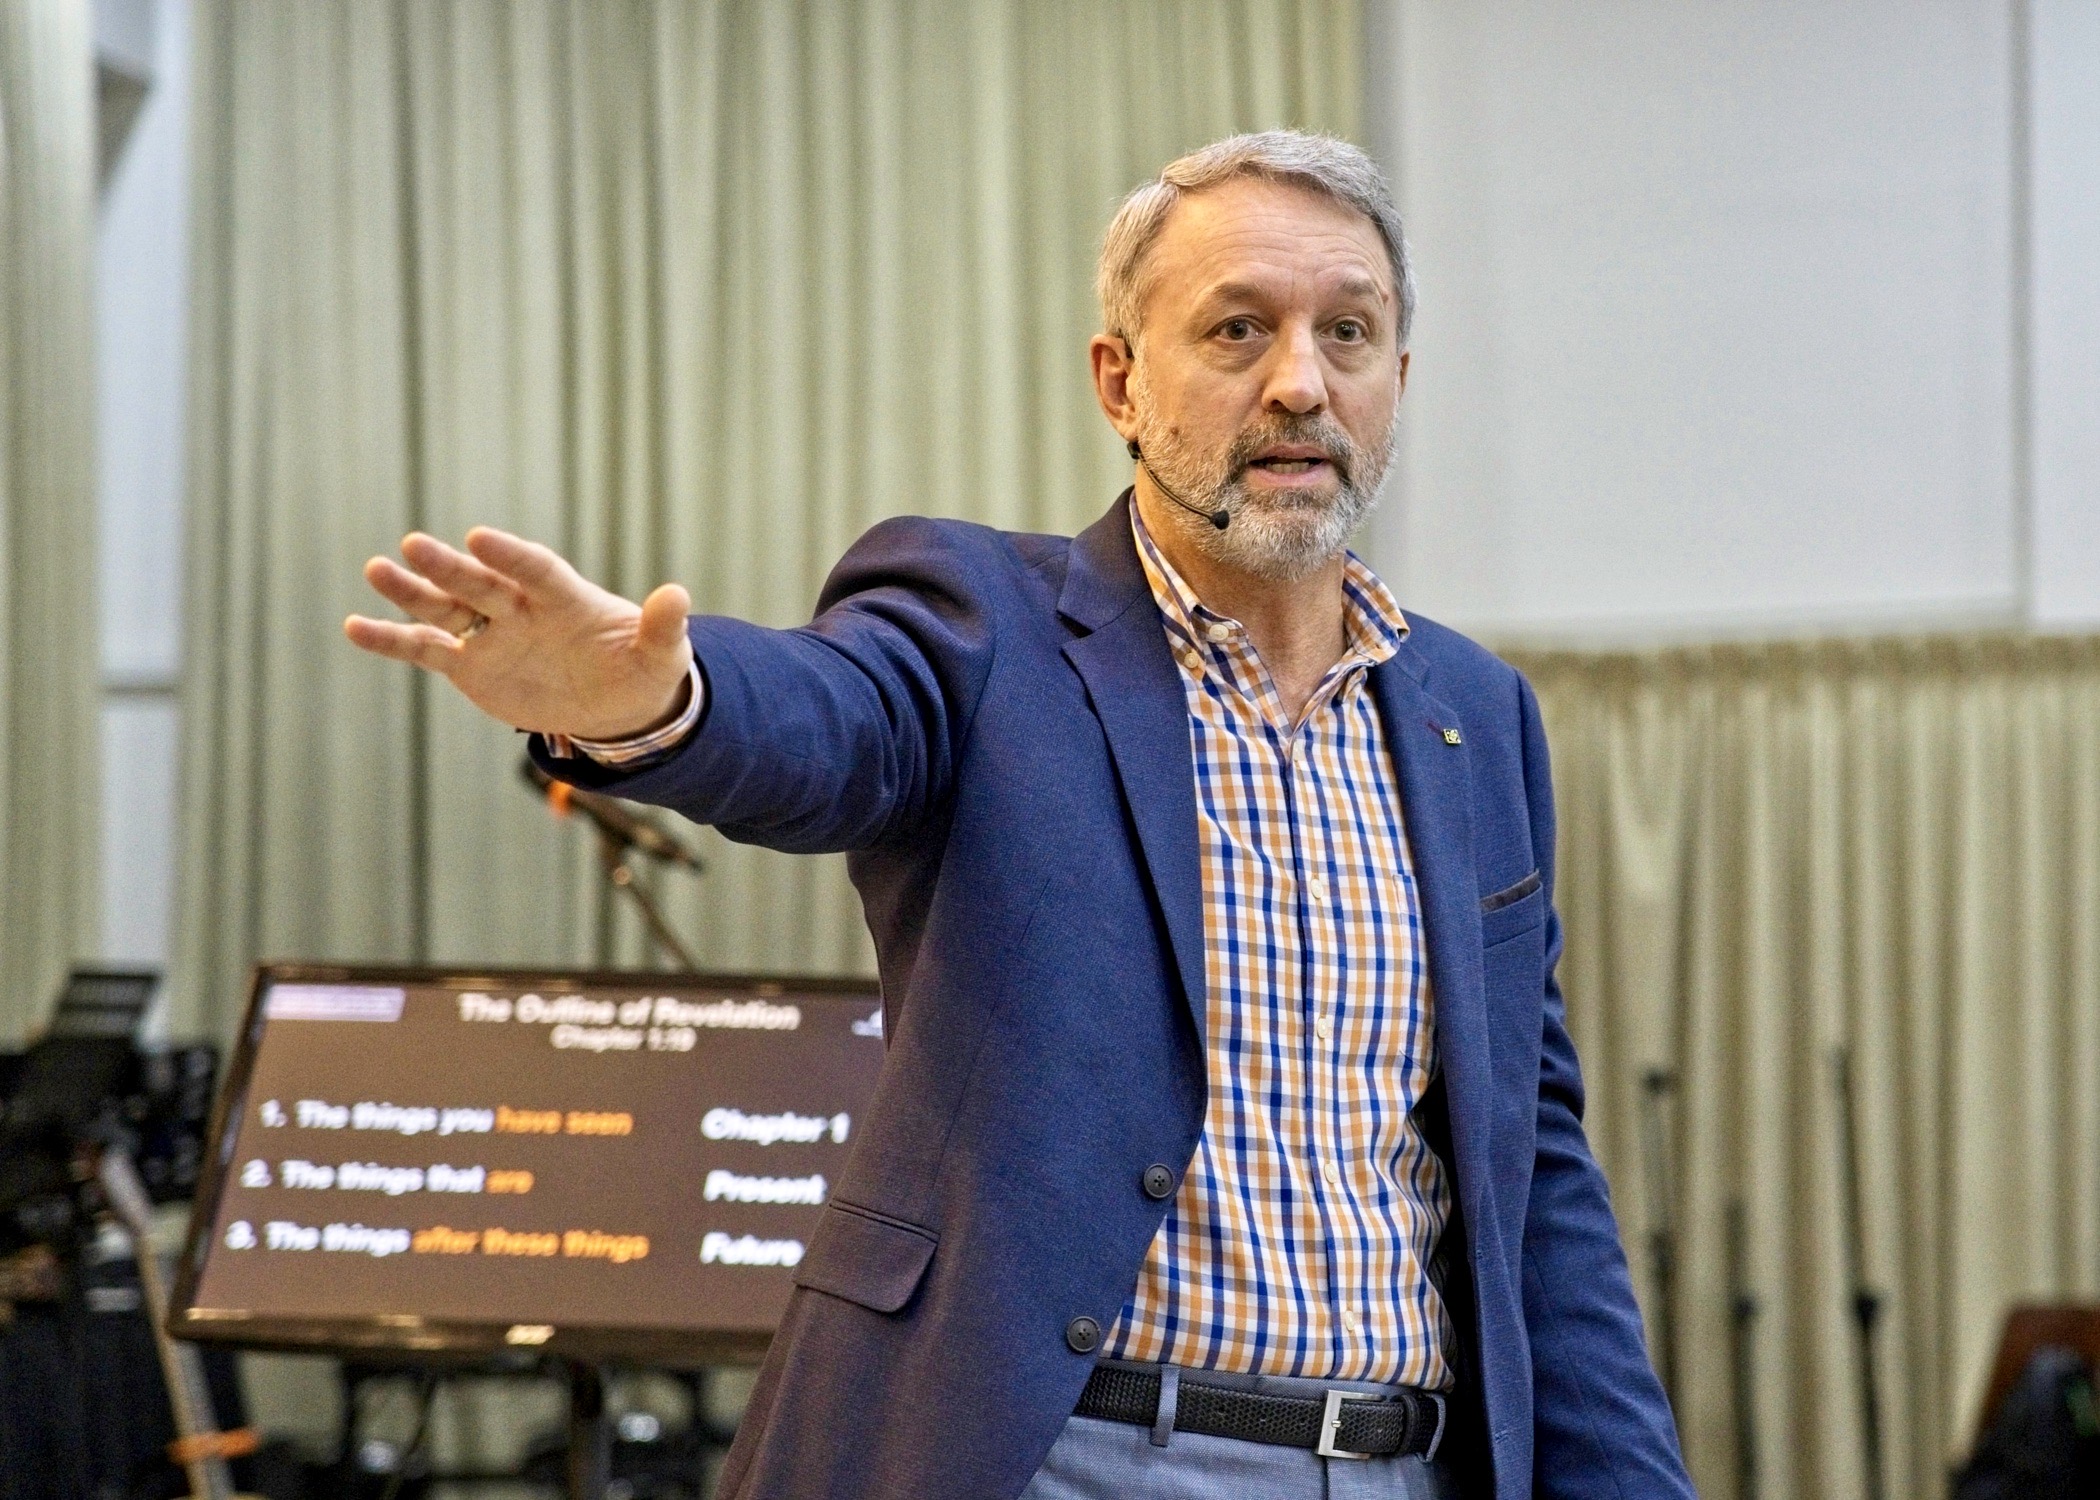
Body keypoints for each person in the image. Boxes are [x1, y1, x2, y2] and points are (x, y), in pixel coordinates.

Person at [346, 131, 1693, 1500]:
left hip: (1400, 1463)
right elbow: (825, 722)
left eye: (1348, 332)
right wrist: (665, 698)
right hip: (1058, 1454)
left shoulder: (1475, 713)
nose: (1301, 381)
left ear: (1397, 379)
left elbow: (1530, 1178)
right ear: (1120, 379)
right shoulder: (985, 626)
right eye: (1239, 330)